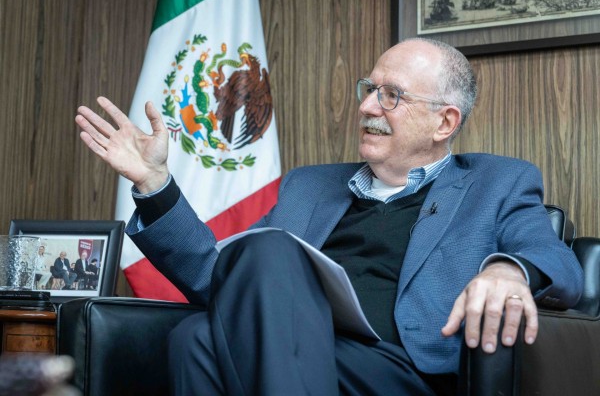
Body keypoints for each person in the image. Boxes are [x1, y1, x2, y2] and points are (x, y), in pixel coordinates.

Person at [75, 38, 583, 395]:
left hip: (401, 368)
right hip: (297, 347)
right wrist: (154, 183)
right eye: (369, 89)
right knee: (195, 338)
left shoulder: (497, 182)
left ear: (444, 122)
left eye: (391, 95)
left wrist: (507, 270)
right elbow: (217, 279)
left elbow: (558, 263)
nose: (367, 107)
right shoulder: (309, 186)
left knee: (221, 314)